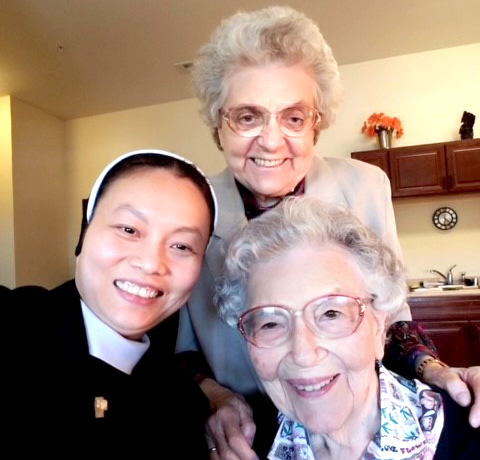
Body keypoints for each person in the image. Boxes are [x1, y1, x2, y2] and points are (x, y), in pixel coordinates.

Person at [174, 5, 480, 459]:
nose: (272, 140)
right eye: (247, 116)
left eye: (294, 118)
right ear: (219, 126)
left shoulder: (365, 186)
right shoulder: (190, 205)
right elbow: (181, 352)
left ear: (318, 123)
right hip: (248, 429)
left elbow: (390, 320)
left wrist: (435, 370)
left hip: (354, 413)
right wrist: (219, 399)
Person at [216, 196, 479, 460]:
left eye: (331, 313)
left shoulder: (469, 432)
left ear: (378, 327)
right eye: (270, 323)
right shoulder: (241, 444)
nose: (303, 354)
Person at [5, 150, 218, 456]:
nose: (150, 263)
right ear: (85, 231)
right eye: (129, 230)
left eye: (182, 245)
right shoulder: (14, 325)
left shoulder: (181, 402)